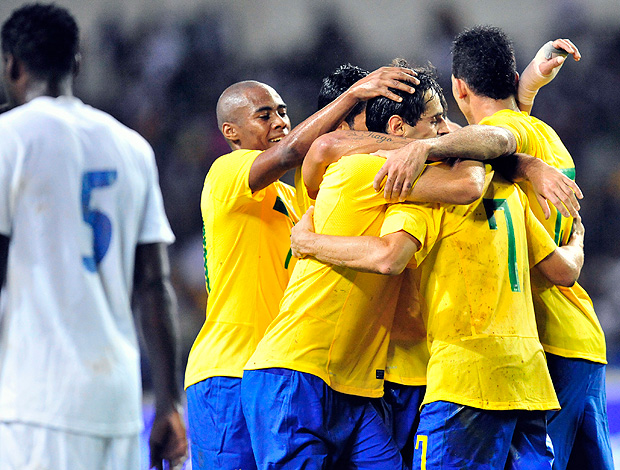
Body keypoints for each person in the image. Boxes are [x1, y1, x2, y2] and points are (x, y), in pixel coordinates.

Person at [240, 58, 553, 468]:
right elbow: (465, 185)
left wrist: (517, 150)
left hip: (357, 384)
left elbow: (321, 152)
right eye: (436, 120)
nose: (446, 129)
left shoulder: (387, 171)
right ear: (390, 127)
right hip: (296, 370)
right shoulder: (368, 170)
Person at [183, 68, 420, 470]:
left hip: (291, 371)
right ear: (231, 131)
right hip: (227, 370)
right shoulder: (226, 174)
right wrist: (351, 96)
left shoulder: (295, 199)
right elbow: (294, 151)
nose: (279, 121)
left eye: (282, 111)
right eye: (264, 115)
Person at [0, 4, 186, 470]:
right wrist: (168, 402)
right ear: (76, 63)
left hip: (34, 401)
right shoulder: (131, 146)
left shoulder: (8, 140)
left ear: (12, 64)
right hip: (116, 401)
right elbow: (154, 285)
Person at [451, 26, 613, 470]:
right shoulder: (544, 132)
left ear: (458, 87)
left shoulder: (503, 138)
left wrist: (423, 145)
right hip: (579, 334)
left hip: (547, 340)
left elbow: (497, 139)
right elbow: (512, 133)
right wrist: (527, 90)